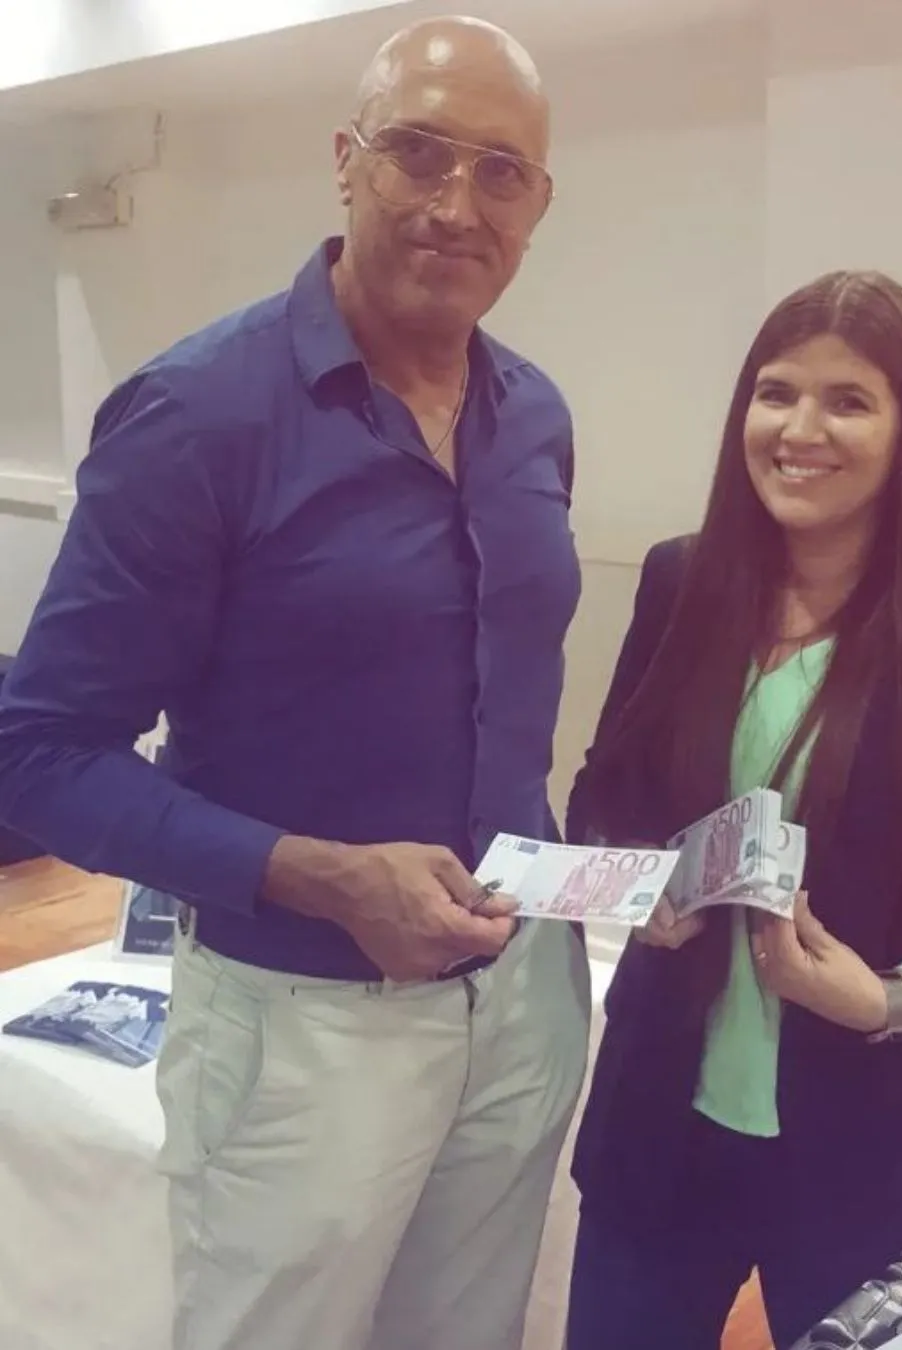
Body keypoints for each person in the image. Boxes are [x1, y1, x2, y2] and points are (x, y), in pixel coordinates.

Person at [0, 16, 590, 1350]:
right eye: (419, 152)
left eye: (501, 172)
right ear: (346, 160)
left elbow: (501, 711)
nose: (458, 204)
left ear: (538, 205)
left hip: (522, 1001)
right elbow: (38, 755)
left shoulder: (537, 417)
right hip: (303, 1026)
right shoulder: (197, 416)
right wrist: (321, 876)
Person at [562, 271, 902, 1349]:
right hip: (664, 1129)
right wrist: (638, 880)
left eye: (848, 401)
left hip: (898, 1152)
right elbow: (606, 792)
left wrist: (892, 999)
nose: (801, 430)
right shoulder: (682, 581)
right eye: (776, 393)